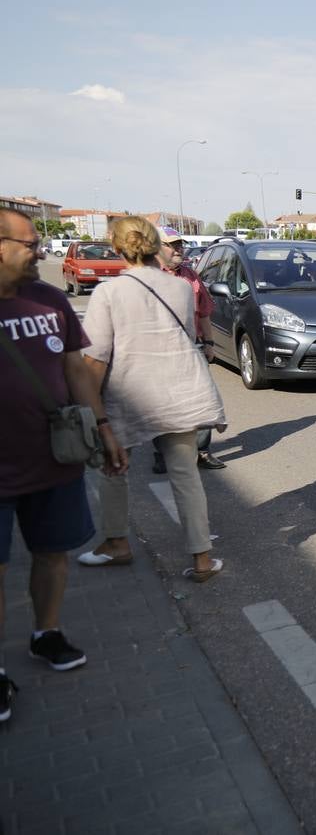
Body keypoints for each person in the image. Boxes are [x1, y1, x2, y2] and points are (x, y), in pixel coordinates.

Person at [0, 208, 127, 722]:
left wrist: (102, 427)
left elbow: (75, 367)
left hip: (54, 455)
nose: (40, 252)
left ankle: (45, 633)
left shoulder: (51, 300)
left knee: (52, 554)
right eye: (30, 244)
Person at [77, 217, 227, 582]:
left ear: (116, 247)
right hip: (178, 392)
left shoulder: (109, 293)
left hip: (128, 394)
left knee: (114, 468)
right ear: (154, 244)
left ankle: (116, 544)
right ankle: (202, 559)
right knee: (186, 474)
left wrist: (93, 412)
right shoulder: (178, 288)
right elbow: (185, 337)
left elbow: (95, 358)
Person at [151, 229, 223, 473]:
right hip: (160, 352)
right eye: (173, 245)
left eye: (180, 244)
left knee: (201, 401)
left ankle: (202, 451)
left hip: (192, 347)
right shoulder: (149, 277)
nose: (179, 249)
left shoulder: (190, 276)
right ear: (157, 247)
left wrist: (210, 344)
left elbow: (203, 312)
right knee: (163, 405)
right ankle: (163, 454)